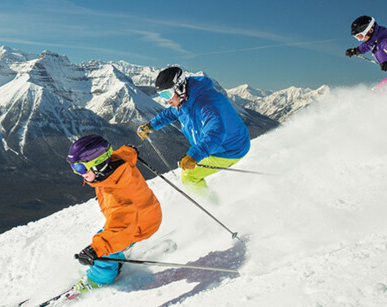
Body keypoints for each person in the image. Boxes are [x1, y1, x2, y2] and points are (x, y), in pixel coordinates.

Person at [67, 135, 162, 293]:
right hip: (145, 212)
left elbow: (120, 228)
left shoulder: (117, 194)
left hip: (140, 224)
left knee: (106, 245)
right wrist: (131, 150)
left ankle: (98, 279)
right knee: (109, 238)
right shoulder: (114, 164)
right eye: (74, 167)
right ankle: (122, 251)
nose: (78, 173)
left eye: (80, 168)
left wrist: (95, 250)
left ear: (97, 164)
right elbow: (126, 153)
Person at [136, 66, 250, 193]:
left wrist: (195, 156)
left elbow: (216, 132)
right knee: (188, 174)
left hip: (231, 148)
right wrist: (151, 125)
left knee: (189, 177)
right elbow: (171, 113)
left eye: (167, 94)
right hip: (220, 145)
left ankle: (212, 207)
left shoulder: (207, 104)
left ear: (179, 88)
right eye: (162, 95)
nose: (166, 100)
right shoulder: (185, 99)